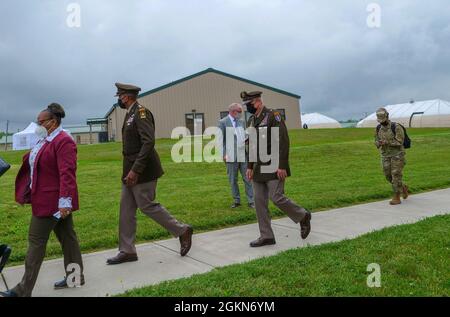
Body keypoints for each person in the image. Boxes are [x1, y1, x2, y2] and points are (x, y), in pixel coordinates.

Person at [0, 103, 84, 297]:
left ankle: (22, 291)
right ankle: (75, 278)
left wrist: (65, 202)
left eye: (41, 121)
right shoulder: (46, 139)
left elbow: (67, 173)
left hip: (53, 203)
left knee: (35, 243)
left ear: (53, 122)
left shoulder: (64, 141)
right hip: (45, 199)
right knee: (68, 240)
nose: (38, 124)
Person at [107, 83, 193, 265]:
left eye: (120, 96)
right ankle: (127, 250)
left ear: (127, 97)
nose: (119, 99)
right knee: (126, 210)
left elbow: (148, 142)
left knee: (146, 205)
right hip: (129, 170)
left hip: (142, 171)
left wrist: (135, 170)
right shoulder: (130, 113)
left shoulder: (141, 113)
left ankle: (182, 230)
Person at [241, 91, 312, 247]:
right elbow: (251, 145)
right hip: (259, 167)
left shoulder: (274, 115)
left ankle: (303, 216)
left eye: (249, 105)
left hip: (274, 165)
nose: (248, 108)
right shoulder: (252, 121)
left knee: (277, 197)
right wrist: (250, 166)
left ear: (258, 102)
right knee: (259, 202)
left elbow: (283, 141)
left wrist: (282, 166)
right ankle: (266, 236)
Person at [218, 103, 255, 209]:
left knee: (247, 178)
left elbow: (244, 135)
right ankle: (237, 200)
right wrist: (223, 154)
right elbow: (220, 141)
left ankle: (251, 201)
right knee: (233, 179)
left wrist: (248, 138)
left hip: (243, 154)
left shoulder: (242, 121)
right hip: (230, 156)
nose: (241, 113)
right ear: (233, 111)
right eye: (239, 111)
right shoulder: (223, 122)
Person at [374, 108, 409, 205]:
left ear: (387, 117)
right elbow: (376, 140)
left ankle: (396, 197)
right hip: (385, 155)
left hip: (397, 155)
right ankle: (403, 187)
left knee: (396, 175)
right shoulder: (378, 128)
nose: (381, 123)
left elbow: (399, 142)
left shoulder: (396, 127)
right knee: (388, 176)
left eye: (383, 120)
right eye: (379, 121)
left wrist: (387, 142)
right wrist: (378, 143)